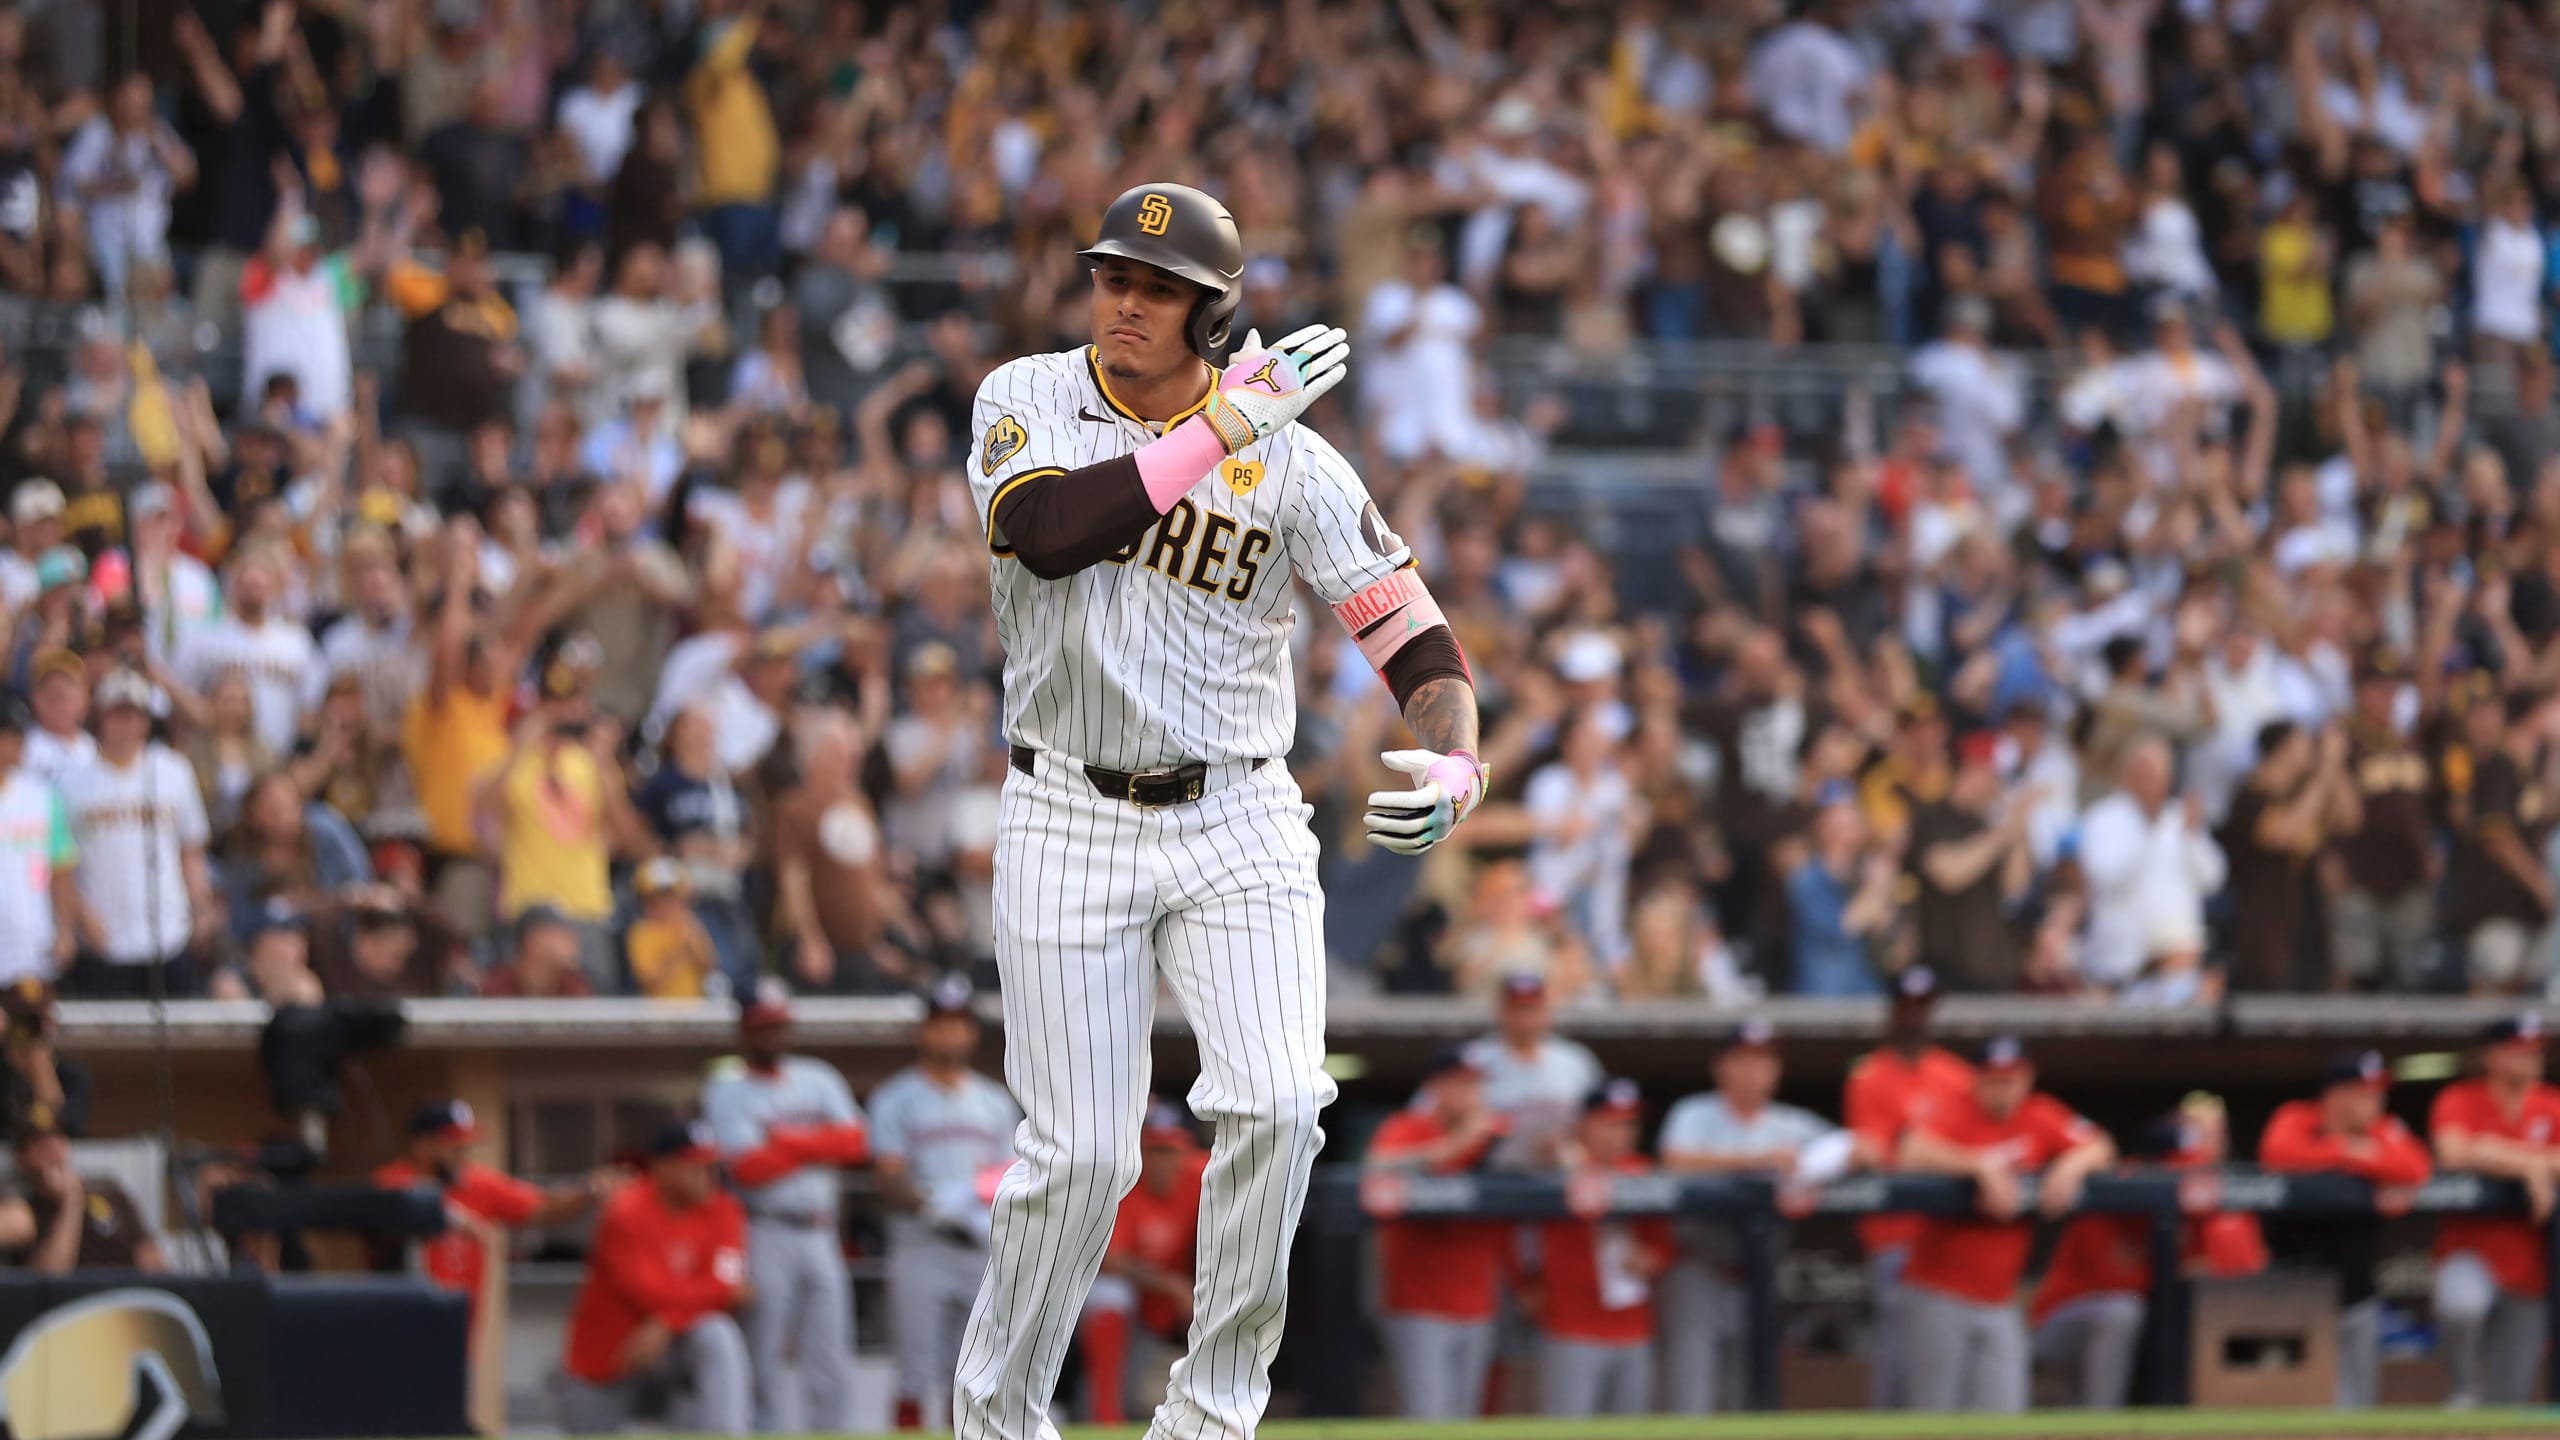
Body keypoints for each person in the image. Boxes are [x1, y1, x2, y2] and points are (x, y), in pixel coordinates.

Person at [954, 183, 1481, 1440]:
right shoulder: (1027, 396)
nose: (1126, 304)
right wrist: (1222, 424)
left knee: (1283, 1106)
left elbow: (1413, 637)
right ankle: (998, 1423)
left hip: (1237, 813)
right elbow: (1046, 531)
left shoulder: (1289, 456)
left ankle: (1208, 1421)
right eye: (1114, 279)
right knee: (1081, 1160)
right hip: (1067, 806)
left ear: (1212, 313)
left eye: (1159, 289)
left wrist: (1458, 761)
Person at [1897, 1036, 2116, 1414]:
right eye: (1993, 1080)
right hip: (1938, 1291)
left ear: (2027, 1078)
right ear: (1977, 1079)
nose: (2002, 1090)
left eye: (2010, 1079)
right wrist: (1978, 1166)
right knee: (1935, 1413)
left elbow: (2102, 1146)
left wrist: (2070, 1166)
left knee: (2005, 1413)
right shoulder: (1956, 1109)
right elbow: (1909, 1152)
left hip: (2000, 1298)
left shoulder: (2039, 1114)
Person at [1656, 1019, 1850, 1413]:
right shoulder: (1694, 1113)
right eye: (1742, 1060)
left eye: (1763, 1061)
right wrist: (1759, 1160)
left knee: (1751, 1401)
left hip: (1758, 1276)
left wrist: (1814, 1170)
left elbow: (1861, 1148)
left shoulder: (1792, 1123)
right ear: (1720, 1067)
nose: (1753, 1071)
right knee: (1689, 1401)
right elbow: (1675, 1161)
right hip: (1700, 1269)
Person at [701, 982, 869, 1433]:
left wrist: (787, 1142)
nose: (773, 1035)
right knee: (764, 1353)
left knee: (831, 1354)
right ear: (744, 1031)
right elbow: (749, 1169)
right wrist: (820, 1142)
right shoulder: (726, 1090)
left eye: (778, 1025)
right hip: (763, 1229)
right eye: (763, 1027)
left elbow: (856, 1143)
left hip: (821, 1231)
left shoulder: (818, 1076)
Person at [2028, 1094, 2266, 1408]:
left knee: (2186, 1309)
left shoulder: (2195, 1216)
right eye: (2175, 1169)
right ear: (2144, 1166)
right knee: (2123, 1311)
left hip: (2140, 1326)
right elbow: (2118, 1284)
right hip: (2061, 1323)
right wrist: (2175, 1273)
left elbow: (2239, 1271)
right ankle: (2100, 1419)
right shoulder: (2106, 1209)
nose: (2185, 1178)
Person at [866, 977, 1020, 1432]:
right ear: (923, 1031)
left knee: (974, 1374)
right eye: (941, 1024)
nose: (950, 1034)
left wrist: (975, 1207)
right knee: (914, 1371)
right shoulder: (895, 1097)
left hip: (979, 1247)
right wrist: (937, 1205)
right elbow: (888, 1175)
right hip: (922, 1243)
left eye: (959, 1024)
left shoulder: (994, 1100)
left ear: (971, 1032)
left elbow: (1009, 1173)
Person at [2259, 1050, 2434, 1409]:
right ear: (2335, 1095)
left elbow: (2416, 1167)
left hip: (2357, 1294)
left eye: (2377, 1092)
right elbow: (2278, 1153)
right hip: (2295, 1291)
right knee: (2292, 1404)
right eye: (2364, 1092)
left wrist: (2352, 1155)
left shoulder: (2383, 1128)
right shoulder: (2296, 1116)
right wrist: (2351, 1151)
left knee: (2357, 1407)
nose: (2377, 1101)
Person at [559, 1121, 751, 1436]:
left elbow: (729, 1288)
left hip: (677, 1351)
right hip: (615, 1352)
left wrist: (667, 1321)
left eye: (711, 1164)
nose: (708, 1174)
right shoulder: (626, 1210)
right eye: (695, 1165)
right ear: (663, 1167)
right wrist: (683, 1307)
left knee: (718, 1333)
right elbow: (647, 1292)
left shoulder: (725, 1209)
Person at [1841, 965, 1973, 1407]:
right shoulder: (1868, 1075)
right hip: (1895, 1238)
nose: (1914, 1017)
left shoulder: (1956, 1075)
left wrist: (1934, 1155)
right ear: (1893, 1012)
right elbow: (1880, 1153)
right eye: (1907, 1007)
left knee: (1950, 1357)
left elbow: (1971, 1144)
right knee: (1898, 1353)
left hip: (1949, 1236)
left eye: (1922, 1007)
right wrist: (1938, 1156)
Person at [1363, 1046, 1509, 1420]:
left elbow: (1540, 1169)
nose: (1471, 1093)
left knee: (1465, 1417)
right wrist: (1453, 1147)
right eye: (1460, 1083)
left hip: (1478, 1301)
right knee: (1426, 1415)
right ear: (1435, 1087)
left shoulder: (1493, 1134)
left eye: (1475, 1084)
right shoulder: (1408, 1127)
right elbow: (1375, 1168)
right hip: (1418, 1303)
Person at [372, 1100, 606, 1333]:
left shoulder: (476, 1182)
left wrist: (590, 1189)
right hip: (402, 1322)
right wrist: (461, 1221)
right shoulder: (392, 1180)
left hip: (458, 1325)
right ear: (423, 1145)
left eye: (464, 1146)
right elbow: (407, 1204)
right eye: (453, 1146)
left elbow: (544, 1206)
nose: (461, 1154)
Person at [2427, 1014, 2560, 1408]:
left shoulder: (2552, 1102)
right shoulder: (2460, 1098)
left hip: (2533, 1266)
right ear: (2490, 1055)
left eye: (2533, 1052)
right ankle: (2463, 1388)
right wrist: (2533, 1165)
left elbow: (2481, 1151)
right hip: (2471, 1250)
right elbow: (2453, 1153)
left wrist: (2504, 1156)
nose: (2528, 1059)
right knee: (2460, 1305)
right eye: (2516, 1051)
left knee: (2510, 1399)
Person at [57, 669, 215, 998]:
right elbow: (62, 863)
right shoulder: (71, 782)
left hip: (169, 932)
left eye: (136, 715)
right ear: (101, 717)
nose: (128, 724)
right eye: (118, 714)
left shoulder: (174, 771)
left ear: (146, 720)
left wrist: (200, 906)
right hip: (103, 937)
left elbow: (190, 849)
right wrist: (82, 916)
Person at [1523, 1079, 1675, 1417]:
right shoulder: (1554, 1167)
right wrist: (1525, 1284)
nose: (1621, 1133)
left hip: (1633, 1328)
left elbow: (1662, 1241)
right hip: (1571, 1327)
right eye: (1610, 1122)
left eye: (1629, 1124)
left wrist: (1652, 1258)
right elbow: (1518, 1237)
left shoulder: (1641, 1170)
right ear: (1585, 1123)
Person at [1078, 1101, 1211, 1423]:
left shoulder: (1205, 1175)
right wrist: (1172, 1285)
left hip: (1177, 1306)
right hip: (1132, 1300)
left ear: (1187, 1151)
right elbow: (1108, 1260)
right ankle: (1106, 1420)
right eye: (1153, 1151)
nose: (1161, 1161)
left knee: (1149, 1397)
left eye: (1170, 1151)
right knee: (1109, 1294)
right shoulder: (1124, 1181)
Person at [2, 1114, 168, 1272]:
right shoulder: (24, 1213)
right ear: (21, 1158)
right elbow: (49, 1279)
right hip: (78, 1292)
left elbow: (151, 1260)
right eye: (39, 1144)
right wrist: (71, 1202)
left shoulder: (109, 1191)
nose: (52, 1149)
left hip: (131, 1289)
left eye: (57, 1138)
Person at [0, 693, 75, 986]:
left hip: (33, 950)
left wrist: (65, 930)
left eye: (22, 734)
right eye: (11, 734)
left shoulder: (42, 796)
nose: (20, 743)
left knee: (32, 1016)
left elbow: (60, 868)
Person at [625, 858, 721, 1000]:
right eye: (658, 899)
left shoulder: (689, 924)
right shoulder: (640, 932)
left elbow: (710, 966)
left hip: (695, 1007)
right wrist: (680, 952)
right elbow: (649, 982)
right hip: (654, 1010)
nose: (669, 905)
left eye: (674, 898)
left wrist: (693, 942)